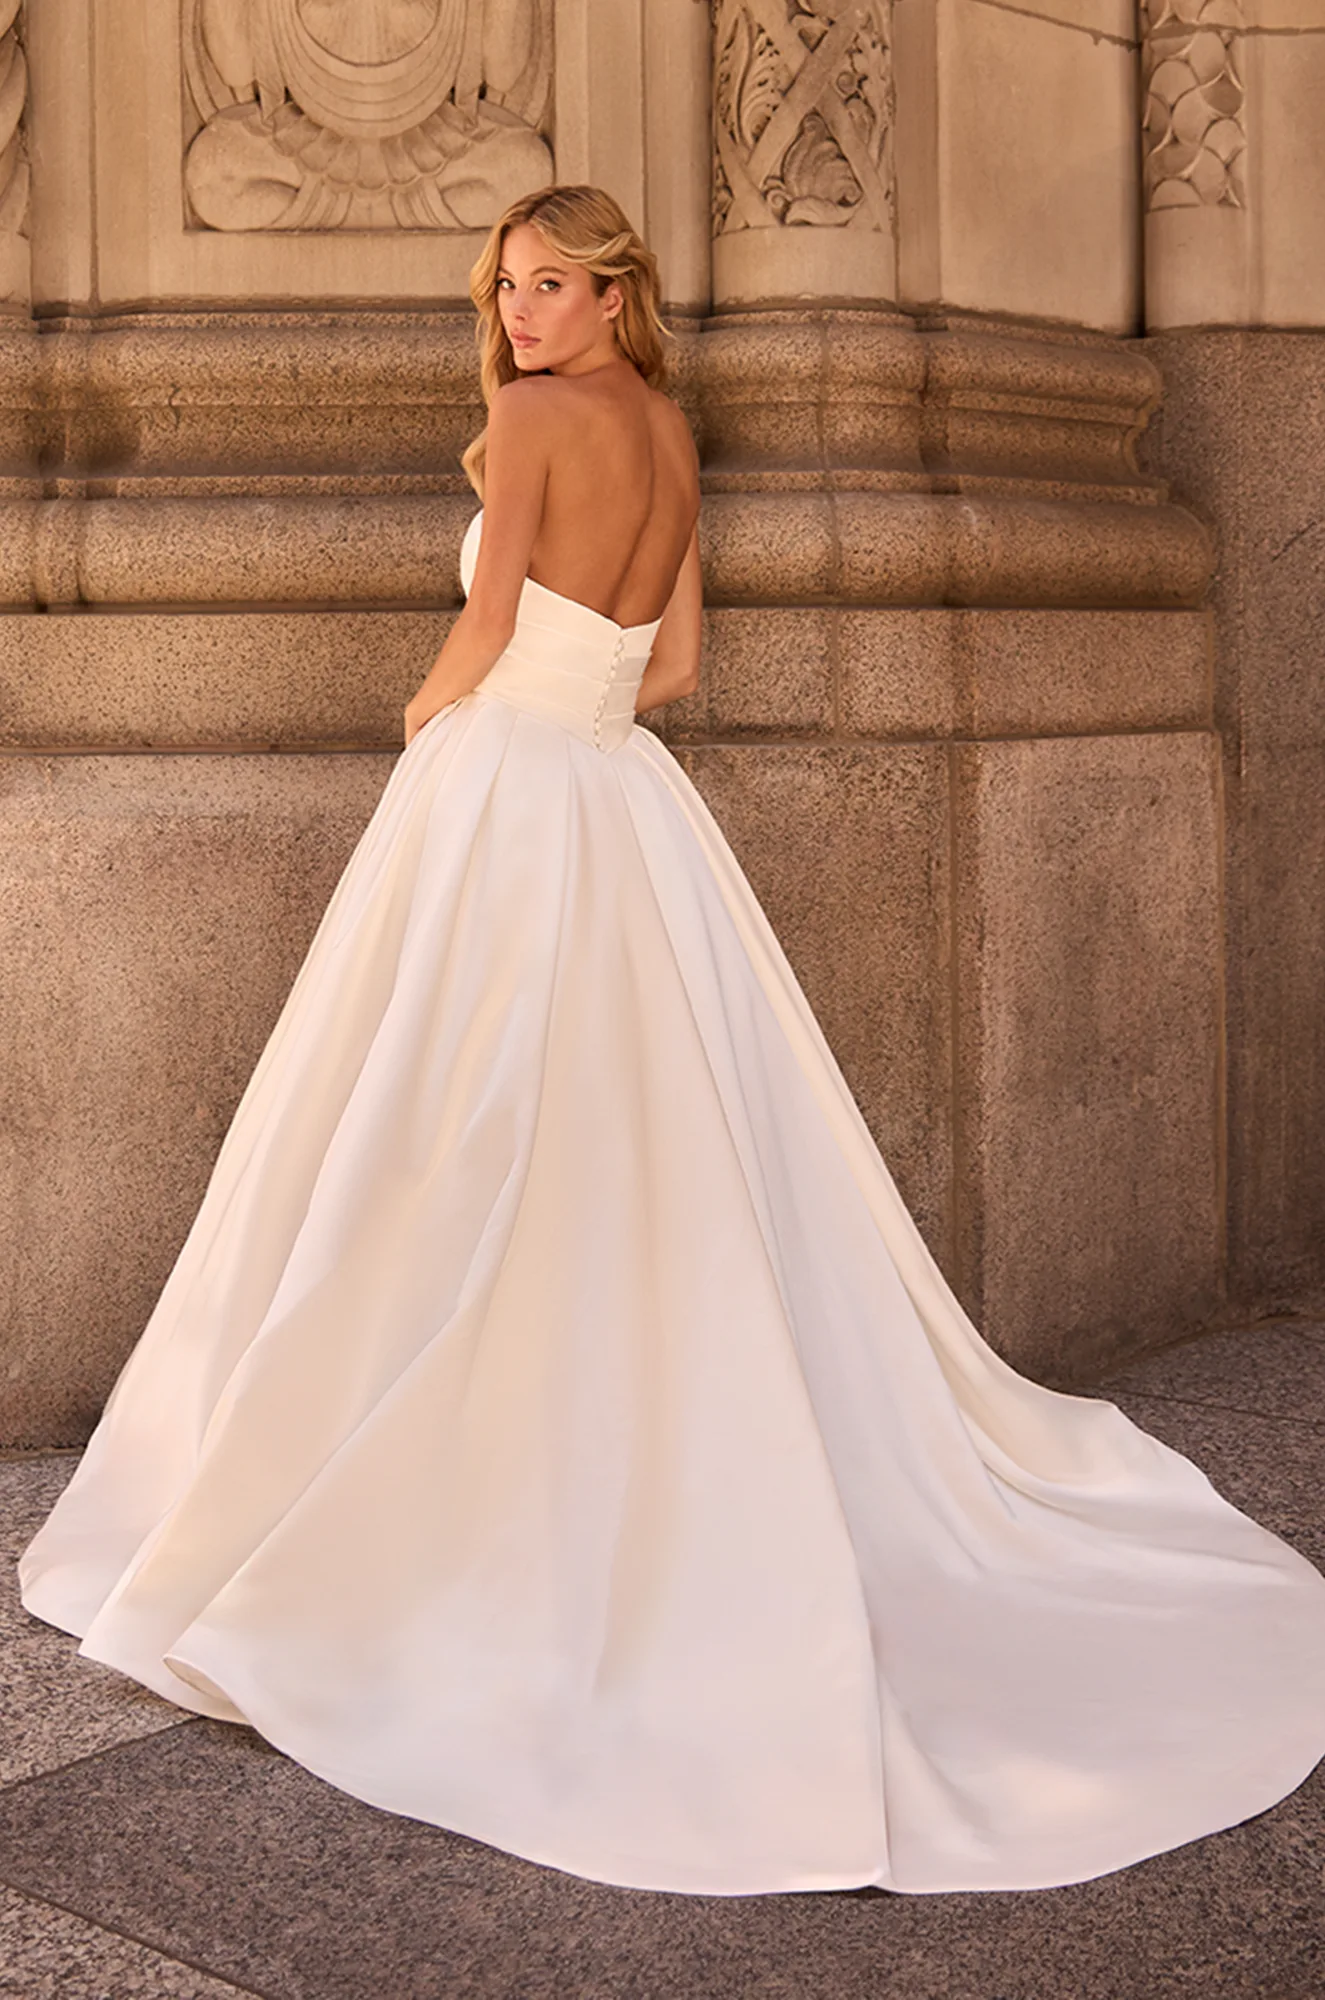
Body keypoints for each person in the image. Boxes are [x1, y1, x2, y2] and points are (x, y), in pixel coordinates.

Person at [18, 185, 1325, 1900]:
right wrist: (566, 715)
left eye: (552, 284)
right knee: (614, 1132)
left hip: (504, 785)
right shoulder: (668, 430)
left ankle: (426, 1497)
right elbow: (679, 662)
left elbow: (488, 635)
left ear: (612, 288)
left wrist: (439, 719)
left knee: (441, 1128)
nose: (524, 311)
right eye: (507, 287)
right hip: (621, 799)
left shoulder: (537, 418)